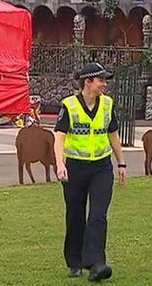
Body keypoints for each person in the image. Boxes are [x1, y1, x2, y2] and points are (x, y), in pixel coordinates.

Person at [54, 62, 127, 282]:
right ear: (88, 82)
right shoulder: (69, 106)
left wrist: (121, 163)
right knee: (75, 216)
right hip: (75, 167)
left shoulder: (107, 105)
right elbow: (59, 137)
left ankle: (96, 263)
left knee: (98, 215)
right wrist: (60, 164)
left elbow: (113, 135)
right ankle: (74, 261)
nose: (105, 84)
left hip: (101, 168)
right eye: (101, 80)